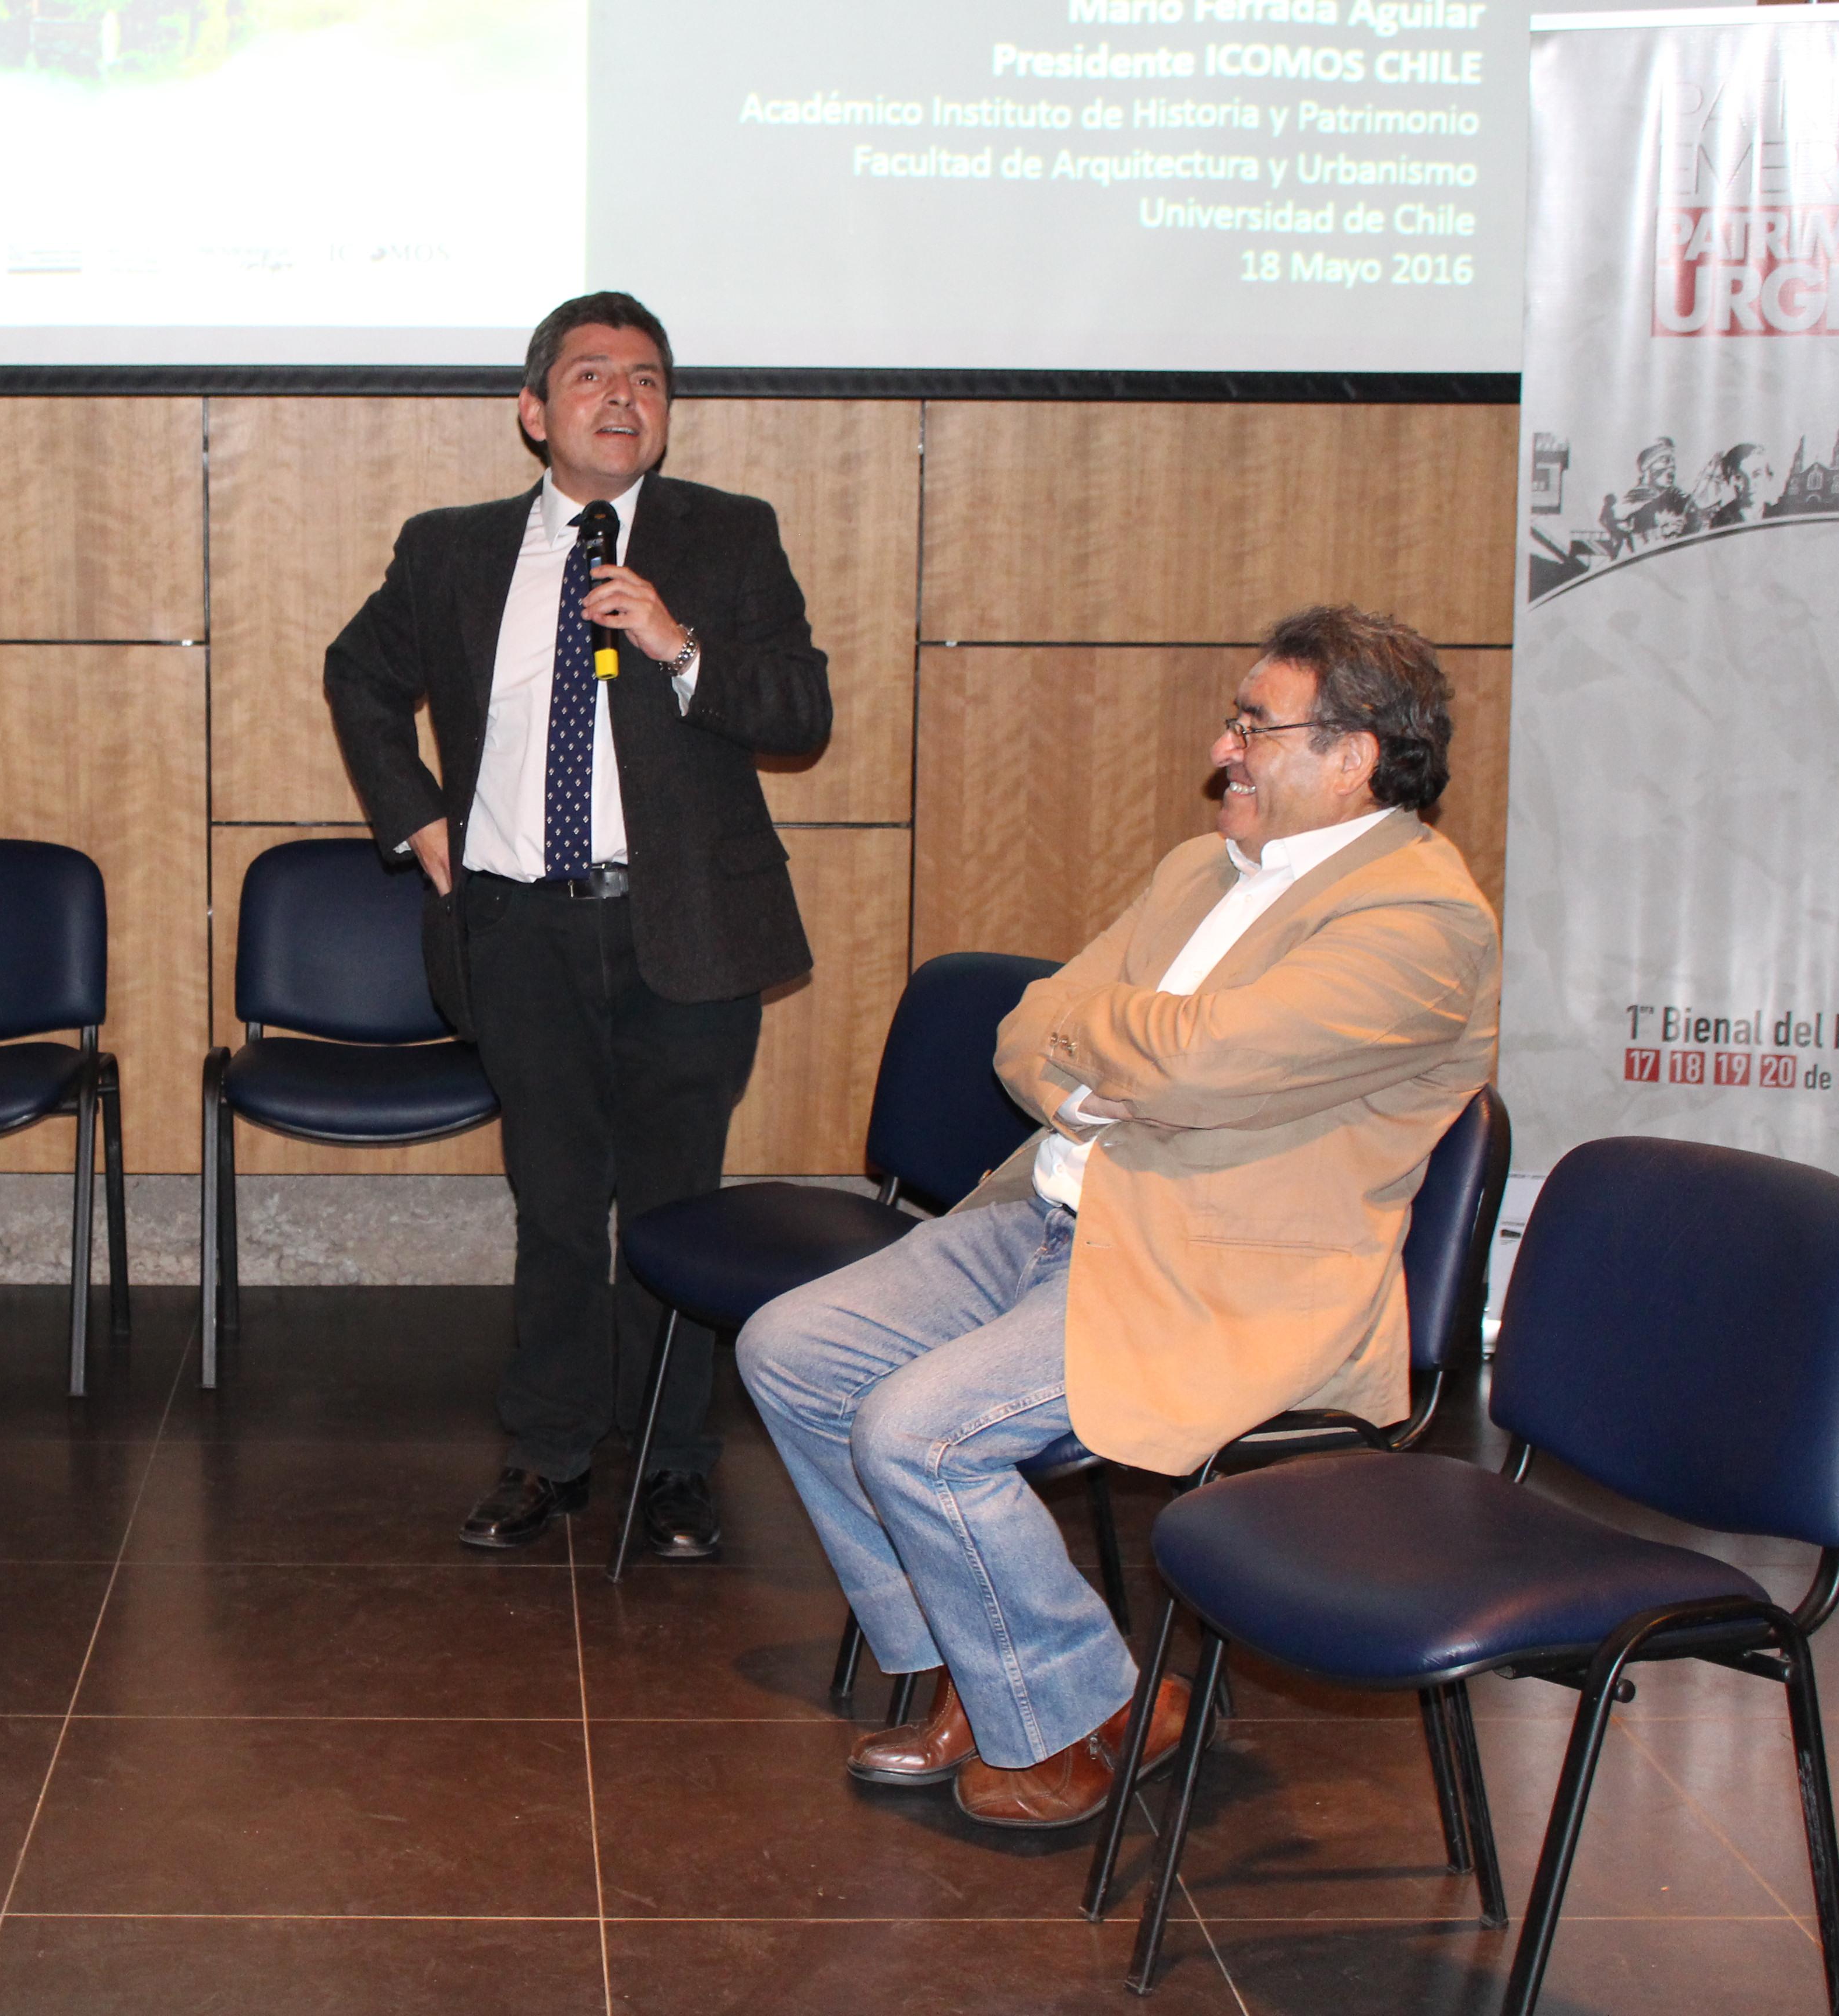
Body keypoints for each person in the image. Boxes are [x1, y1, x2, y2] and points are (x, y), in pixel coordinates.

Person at [738, 606, 1495, 1828]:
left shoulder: (1420, 921)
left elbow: (1197, 1064)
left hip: (1209, 1272)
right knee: (793, 1351)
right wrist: (1124, 1055)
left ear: (1354, 755)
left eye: (1256, 723)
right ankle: (1000, 1684)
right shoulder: (1204, 869)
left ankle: (1085, 1707)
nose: (1225, 748)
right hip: (1052, 1217)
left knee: (918, 1434)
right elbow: (1026, 1028)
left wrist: (1113, 1048)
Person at [324, 292, 832, 1556]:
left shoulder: (729, 536)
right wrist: (415, 821)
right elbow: (360, 674)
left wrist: (679, 644)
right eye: (594, 375)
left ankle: (673, 1468)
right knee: (554, 1207)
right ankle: (547, 1457)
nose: (623, 397)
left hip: (684, 934)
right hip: (517, 931)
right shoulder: (451, 548)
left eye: (648, 379)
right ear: (533, 410)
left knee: (673, 1211)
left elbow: (800, 713)